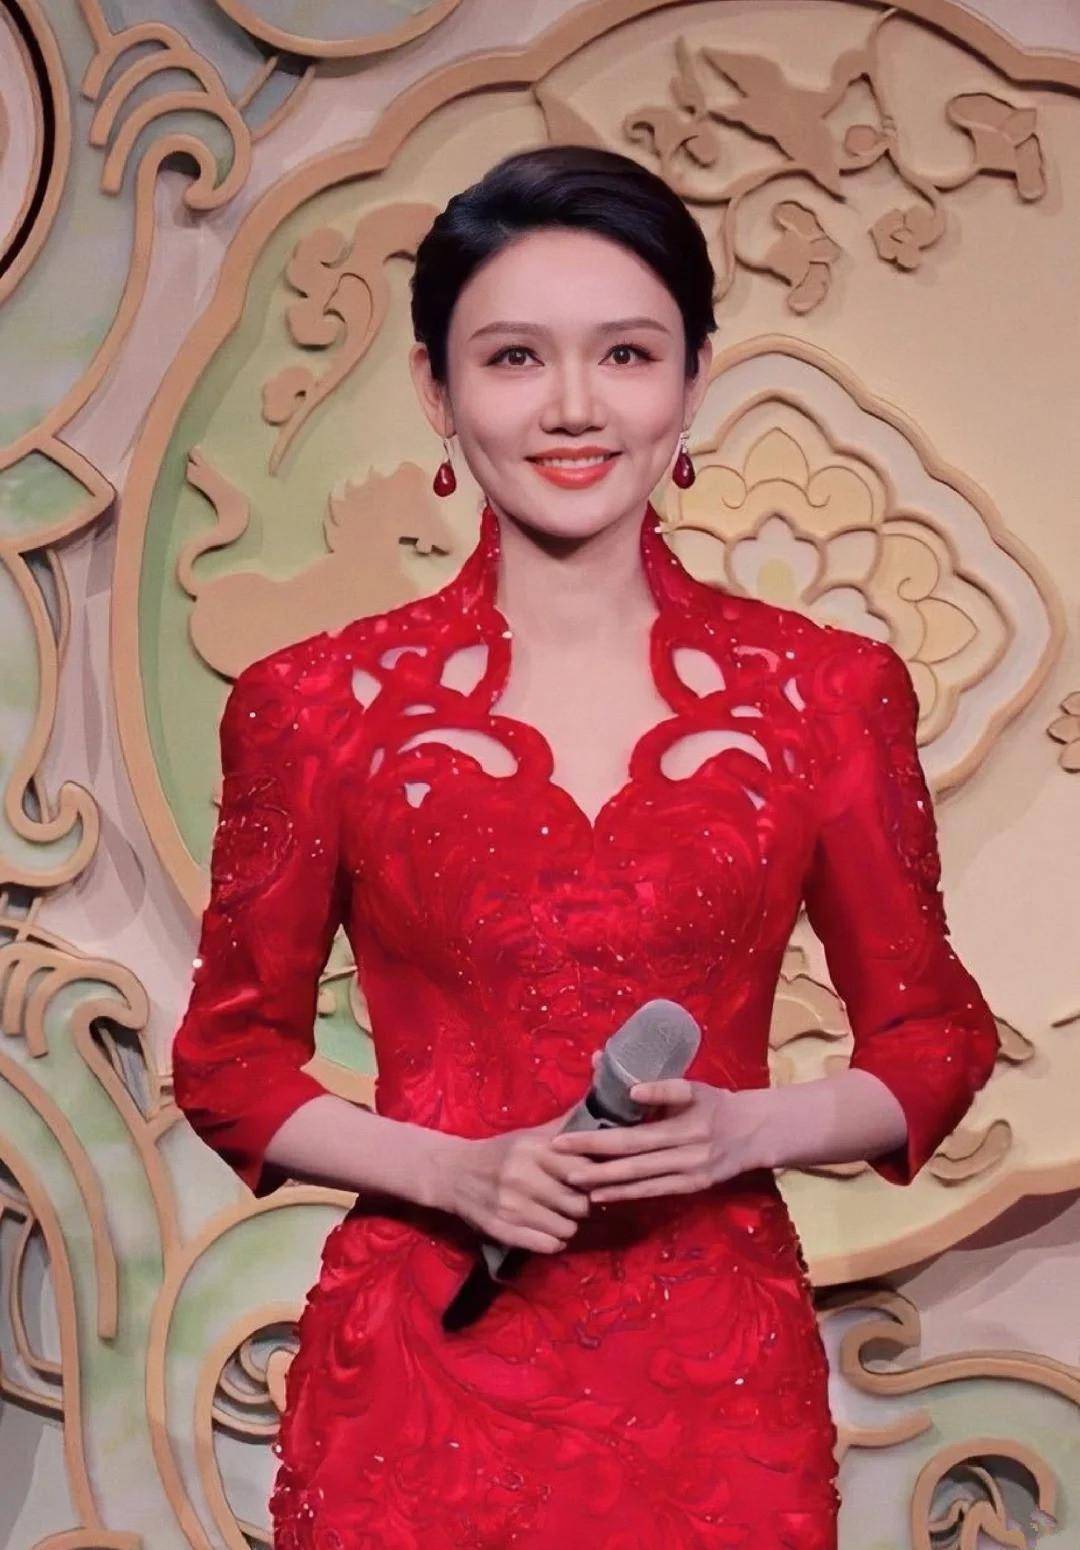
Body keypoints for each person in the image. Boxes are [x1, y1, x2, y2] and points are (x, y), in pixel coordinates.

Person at [171, 146, 1000, 1549]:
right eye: (513, 357)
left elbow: (934, 1039)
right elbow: (230, 1062)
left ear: (694, 379)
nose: (572, 405)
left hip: (713, 1385)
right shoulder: (315, 705)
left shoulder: (826, 692)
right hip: (425, 1376)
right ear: (437, 390)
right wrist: (452, 1170)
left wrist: (745, 1127)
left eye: (625, 352)